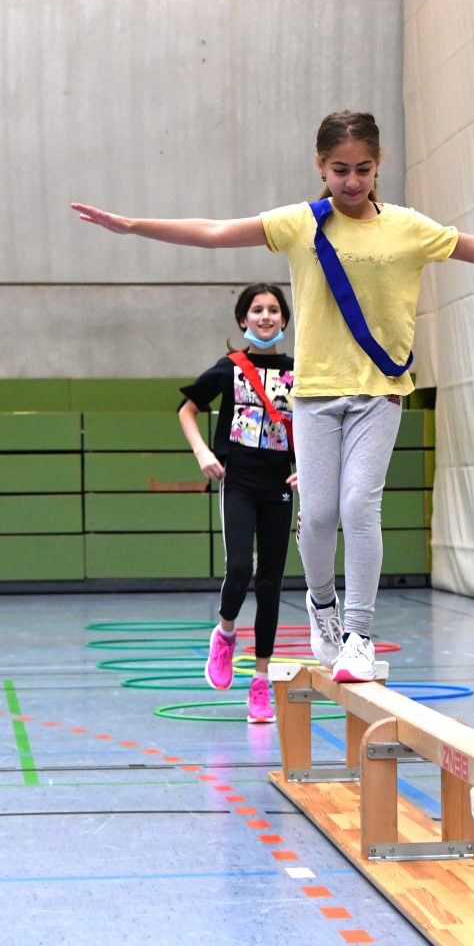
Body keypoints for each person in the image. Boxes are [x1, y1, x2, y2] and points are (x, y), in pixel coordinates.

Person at [72, 109, 474, 684]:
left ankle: (358, 635)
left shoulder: (407, 227)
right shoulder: (300, 224)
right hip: (315, 396)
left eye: (363, 169)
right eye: (339, 170)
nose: (352, 181)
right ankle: (323, 606)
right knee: (320, 514)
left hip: (380, 393)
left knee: (359, 507)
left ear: (379, 165)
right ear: (320, 167)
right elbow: (215, 231)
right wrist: (133, 226)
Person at [178, 282, 296, 722]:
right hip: (240, 481)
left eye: (273, 310)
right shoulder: (229, 368)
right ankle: (225, 633)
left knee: (270, 583)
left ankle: (260, 682)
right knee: (241, 568)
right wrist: (203, 453)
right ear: (243, 319)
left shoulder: (300, 372)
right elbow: (187, 409)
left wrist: (308, 467)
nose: (266, 316)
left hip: (279, 483)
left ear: (284, 320)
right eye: (257, 310)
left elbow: (314, 426)